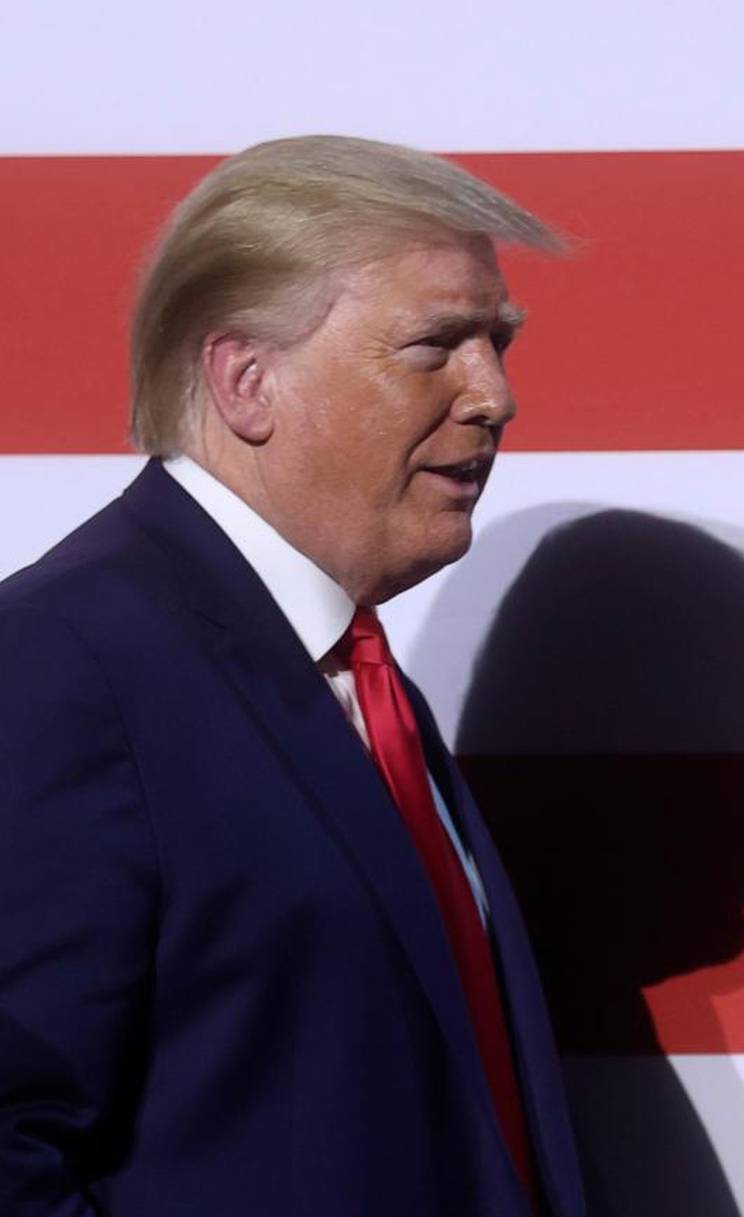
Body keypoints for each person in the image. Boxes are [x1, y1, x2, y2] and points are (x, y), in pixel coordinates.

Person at [0, 136, 584, 1217]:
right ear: (246, 380)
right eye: (434, 346)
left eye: (497, 341)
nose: (493, 395)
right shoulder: (58, 663)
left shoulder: (355, 675)